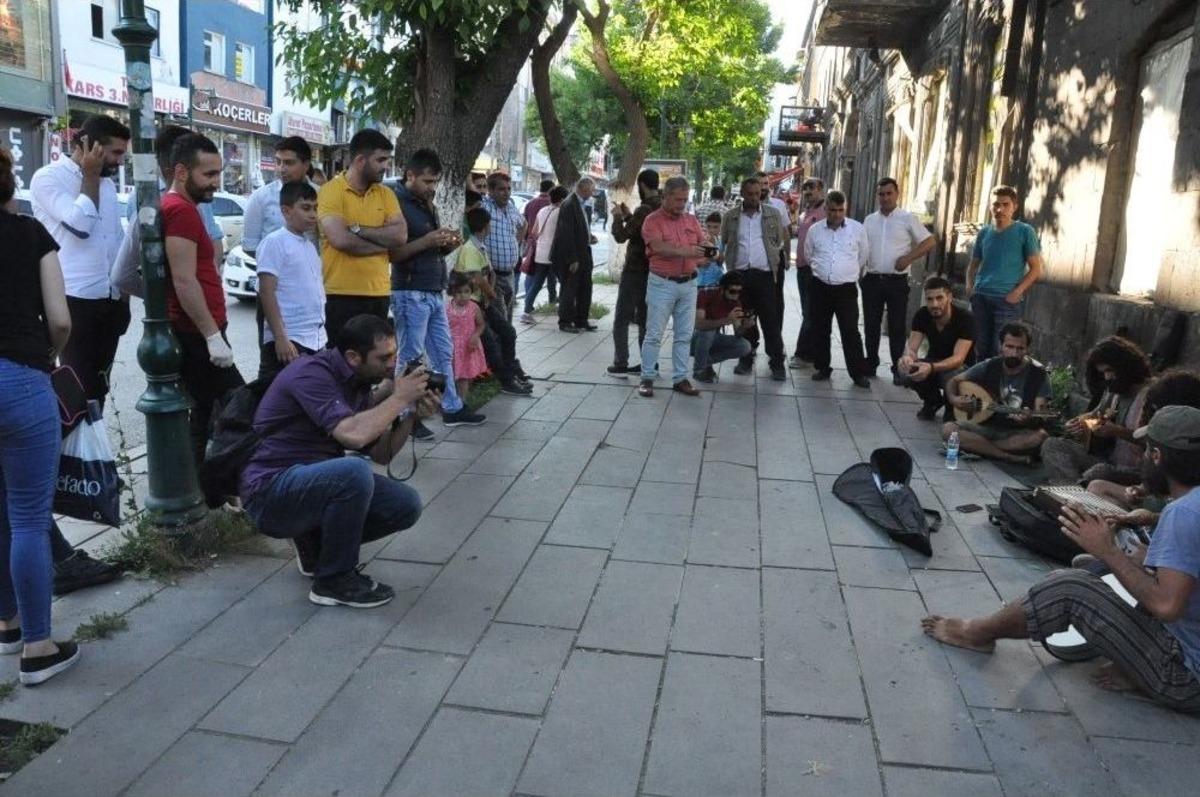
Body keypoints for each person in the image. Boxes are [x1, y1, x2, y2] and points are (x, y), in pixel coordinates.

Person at [922, 404, 1200, 713]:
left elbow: (1167, 606)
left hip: (1186, 676)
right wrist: (1149, 520)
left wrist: (1106, 548)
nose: (1145, 457)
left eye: (1147, 451)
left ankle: (977, 634)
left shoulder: (1185, 513)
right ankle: (1135, 667)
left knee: (1071, 587)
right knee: (1097, 566)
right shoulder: (1188, 508)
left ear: (1158, 457)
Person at [241, 315, 432, 608]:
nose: (393, 365)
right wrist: (397, 398)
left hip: (309, 484)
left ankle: (315, 547)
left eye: (394, 355)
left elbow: (382, 454)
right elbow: (353, 436)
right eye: (384, 358)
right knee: (353, 472)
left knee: (405, 504)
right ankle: (334, 580)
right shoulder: (311, 374)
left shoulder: (357, 383)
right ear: (353, 357)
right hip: (269, 491)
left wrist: (410, 413)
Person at [0, 147, 82, 685]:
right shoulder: (30, 234)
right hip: (20, 378)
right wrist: (49, 356)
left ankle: (6, 621)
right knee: (28, 518)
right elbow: (59, 318)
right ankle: (38, 646)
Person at [29, 114, 131, 408]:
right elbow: (80, 226)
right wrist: (89, 176)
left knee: (99, 387)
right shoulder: (48, 178)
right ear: (90, 147)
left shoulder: (108, 186)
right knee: (77, 388)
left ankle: (95, 451)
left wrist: (122, 298)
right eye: (116, 153)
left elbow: (115, 242)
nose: (120, 162)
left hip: (109, 300)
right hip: (74, 300)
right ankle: (75, 453)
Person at [161, 134, 246, 465]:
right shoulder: (180, 210)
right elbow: (184, 278)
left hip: (202, 329)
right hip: (197, 333)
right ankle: (213, 488)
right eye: (208, 175)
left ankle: (208, 490)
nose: (216, 183)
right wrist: (212, 336)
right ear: (181, 172)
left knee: (206, 413)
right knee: (240, 404)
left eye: (218, 174)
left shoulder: (184, 208)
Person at [389, 148, 485, 428]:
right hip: (410, 291)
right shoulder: (397, 202)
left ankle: (452, 406)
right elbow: (393, 253)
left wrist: (446, 244)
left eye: (435, 183)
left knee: (443, 352)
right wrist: (429, 241)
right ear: (411, 175)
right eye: (427, 182)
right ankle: (404, 416)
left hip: (432, 288)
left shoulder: (425, 203)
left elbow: (431, 247)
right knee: (410, 356)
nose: (432, 188)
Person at [317, 129, 408, 341]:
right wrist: (384, 245)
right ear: (360, 160)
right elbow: (340, 240)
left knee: (374, 367)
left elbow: (401, 235)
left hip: (379, 294)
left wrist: (359, 229)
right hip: (340, 294)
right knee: (341, 365)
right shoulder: (330, 191)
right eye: (381, 160)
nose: (386, 166)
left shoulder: (386, 194)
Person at [1041, 336, 1153, 485]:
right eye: (1103, 372)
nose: (1107, 377)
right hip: (1108, 460)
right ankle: (1070, 493)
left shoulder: (1152, 394)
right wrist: (1077, 424)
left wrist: (1118, 431)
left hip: (1136, 472)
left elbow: (1155, 442)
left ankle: (1076, 494)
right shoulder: (1114, 390)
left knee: (1099, 472)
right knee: (1053, 445)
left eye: (1110, 370)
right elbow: (1095, 415)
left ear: (1125, 366)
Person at [637, 176, 709, 398]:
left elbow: (703, 241)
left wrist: (709, 251)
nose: (682, 204)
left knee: (684, 334)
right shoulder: (652, 220)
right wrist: (687, 251)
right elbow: (658, 247)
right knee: (654, 333)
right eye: (678, 200)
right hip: (662, 283)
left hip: (689, 283)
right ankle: (647, 378)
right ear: (665, 196)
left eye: (685, 200)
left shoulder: (690, 220)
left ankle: (680, 378)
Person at [942, 322, 1051, 464]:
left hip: (1015, 433)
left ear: (1027, 349)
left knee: (1040, 437)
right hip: (985, 428)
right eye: (1009, 347)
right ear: (1001, 346)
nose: (1014, 353)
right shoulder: (990, 365)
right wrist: (954, 398)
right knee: (948, 430)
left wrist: (1029, 418)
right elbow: (953, 381)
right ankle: (1007, 456)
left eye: (1020, 348)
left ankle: (978, 448)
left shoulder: (1039, 374)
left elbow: (1040, 414)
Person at [452, 207, 532, 396]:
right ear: (485, 226)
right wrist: (492, 295)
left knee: (508, 333)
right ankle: (506, 381)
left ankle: (511, 373)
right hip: (472, 304)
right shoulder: (470, 249)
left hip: (483, 301)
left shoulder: (480, 246)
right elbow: (477, 278)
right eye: (490, 224)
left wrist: (490, 292)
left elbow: (490, 273)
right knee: (491, 344)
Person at [862, 177, 937, 377]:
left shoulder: (907, 218)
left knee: (896, 326)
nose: (885, 197)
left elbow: (929, 241)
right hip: (872, 279)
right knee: (871, 324)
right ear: (877, 195)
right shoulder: (869, 220)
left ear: (897, 194)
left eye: (889, 193)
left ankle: (898, 368)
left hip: (897, 281)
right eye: (881, 194)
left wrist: (909, 258)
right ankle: (871, 363)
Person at [720, 175, 788, 381]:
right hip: (740, 276)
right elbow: (725, 241)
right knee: (743, 318)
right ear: (741, 194)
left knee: (771, 320)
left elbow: (778, 241)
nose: (754, 198)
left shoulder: (772, 214)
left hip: (765, 276)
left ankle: (777, 362)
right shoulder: (731, 217)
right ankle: (746, 357)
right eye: (749, 194)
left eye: (758, 194)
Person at [255, 182, 325, 381]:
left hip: (315, 339)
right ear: (286, 211)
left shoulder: (309, 246)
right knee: (275, 399)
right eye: (305, 208)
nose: (312, 214)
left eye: (315, 208)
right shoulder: (274, 242)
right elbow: (267, 292)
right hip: (290, 339)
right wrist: (280, 337)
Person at [803, 190, 871, 389]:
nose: (836, 214)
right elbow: (809, 255)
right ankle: (822, 367)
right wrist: (822, 271)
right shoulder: (815, 230)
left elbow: (863, 256)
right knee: (820, 328)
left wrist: (846, 273)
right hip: (820, 286)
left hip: (846, 289)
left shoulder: (857, 229)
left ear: (845, 209)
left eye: (841, 210)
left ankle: (858, 373)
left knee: (850, 331)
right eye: (832, 210)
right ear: (826, 209)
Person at [967, 185, 1044, 359]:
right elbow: (973, 265)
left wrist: (1017, 292)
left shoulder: (1025, 231)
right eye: (995, 204)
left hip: (1006, 300)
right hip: (980, 297)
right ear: (990, 206)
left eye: (1005, 204)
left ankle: (996, 386)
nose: (999, 209)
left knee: (1002, 349)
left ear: (1014, 206)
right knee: (978, 346)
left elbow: (1036, 268)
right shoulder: (984, 232)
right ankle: (977, 384)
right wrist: (970, 286)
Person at [895, 276, 975, 420]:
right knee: (903, 369)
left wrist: (930, 367)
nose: (934, 304)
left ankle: (952, 409)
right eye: (930, 299)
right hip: (933, 361)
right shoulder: (922, 314)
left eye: (939, 298)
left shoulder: (965, 318)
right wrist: (907, 358)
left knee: (953, 375)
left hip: (961, 367)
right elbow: (912, 348)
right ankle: (932, 401)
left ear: (949, 297)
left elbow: (959, 358)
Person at [607, 169, 660, 375]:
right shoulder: (662, 205)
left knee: (622, 317)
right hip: (654, 270)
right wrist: (630, 215)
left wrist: (618, 218)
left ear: (643, 185)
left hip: (635, 270)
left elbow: (622, 237)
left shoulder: (645, 209)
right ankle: (649, 364)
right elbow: (640, 230)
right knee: (646, 320)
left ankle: (620, 362)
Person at [241, 136, 316, 256]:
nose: (281, 169)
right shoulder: (260, 197)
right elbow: (250, 246)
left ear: (306, 165)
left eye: (289, 163)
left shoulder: (322, 195)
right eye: (278, 162)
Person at [551, 177, 598, 333]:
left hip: (584, 252)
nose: (593, 192)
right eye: (592, 189)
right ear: (584, 188)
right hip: (571, 256)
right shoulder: (569, 204)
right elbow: (566, 234)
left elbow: (580, 228)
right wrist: (572, 259)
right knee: (569, 289)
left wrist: (589, 237)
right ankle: (565, 321)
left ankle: (581, 320)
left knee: (585, 287)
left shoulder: (583, 204)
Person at [691, 271, 753, 383]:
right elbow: (699, 324)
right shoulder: (705, 294)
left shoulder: (736, 302)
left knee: (745, 346)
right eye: (732, 291)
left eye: (739, 291)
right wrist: (727, 320)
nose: (736, 295)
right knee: (708, 331)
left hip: (713, 339)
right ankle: (699, 370)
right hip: (693, 340)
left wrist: (745, 326)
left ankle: (705, 363)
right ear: (722, 289)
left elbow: (738, 333)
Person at [790, 177, 826, 367]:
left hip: (814, 270)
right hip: (802, 269)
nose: (808, 192)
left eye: (812, 188)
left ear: (821, 189)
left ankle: (802, 354)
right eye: (805, 188)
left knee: (810, 313)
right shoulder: (806, 213)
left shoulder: (825, 212)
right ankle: (811, 352)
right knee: (808, 312)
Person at [481, 172, 526, 321]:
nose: (506, 193)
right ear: (491, 191)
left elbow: (523, 224)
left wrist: (517, 243)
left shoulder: (511, 207)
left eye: (508, 189)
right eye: (501, 189)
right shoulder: (484, 207)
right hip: (492, 275)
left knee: (508, 317)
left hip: (510, 274)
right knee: (500, 321)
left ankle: (506, 344)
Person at [522, 186, 570, 324]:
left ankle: (526, 311)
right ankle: (565, 310)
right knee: (565, 282)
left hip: (540, 254)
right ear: (562, 199)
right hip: (555, 254)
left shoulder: (542, 211)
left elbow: (535, 232)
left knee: (537, 283)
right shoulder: (562, 212)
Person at [445, 272, 488, 404]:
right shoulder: (446, 308)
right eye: (459, 292)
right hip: (453, 348)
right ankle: (456, 400)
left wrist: (475, 336)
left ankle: (461, 401)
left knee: (465, 375)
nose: (463, 295)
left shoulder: (473, 308)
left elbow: (481, 324)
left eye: (467, 291)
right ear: (452, 292)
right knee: (455, 376)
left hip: (468, 347)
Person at [521, 179, 556, 307]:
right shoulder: (552, 206)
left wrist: (526, 240)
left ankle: (527, 300)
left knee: (531, 273)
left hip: (532, 243)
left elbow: (524, 223)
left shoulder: (530, 203)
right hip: (547, 245)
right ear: (551, 189)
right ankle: (552, 298)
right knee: (550, 275)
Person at [695, 212, 725, 289]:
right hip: (701, 281)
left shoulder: (721, 241)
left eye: (715, 227)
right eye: (708, 226)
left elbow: (721, 261)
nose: (711, 230)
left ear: (721, 227)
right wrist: (699, 263)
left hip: (717, 279)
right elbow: (692, 260)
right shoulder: (700, 241)